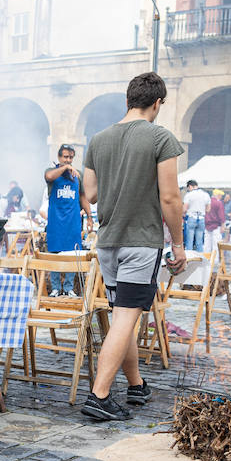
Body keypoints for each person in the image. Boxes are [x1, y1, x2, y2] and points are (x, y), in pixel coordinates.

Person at [78, 72, 185, 422]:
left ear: (128, 100)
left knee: (121, 317)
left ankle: (136, 385)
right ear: (157, 103)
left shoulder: (98, 139)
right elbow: (170, 197)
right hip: (141, 241)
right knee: (127, 318)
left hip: (108, 243)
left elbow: (90, 194)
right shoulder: (160, 138)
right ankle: (100, 395)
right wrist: (179, 244)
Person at [44, 145, 86, 295]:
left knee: (72, 254)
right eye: (65, 157)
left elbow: (82, 196)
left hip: (73, 222)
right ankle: (55, 288)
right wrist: (65, 168)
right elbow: (49, 177)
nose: (68, 160)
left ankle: (68, 288)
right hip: (56, 222)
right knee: (55, 254)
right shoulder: (51, 172)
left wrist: (89, 217)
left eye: (70, 157)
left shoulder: (78, 175)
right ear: (59, 157)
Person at [182, 179, 209, 252]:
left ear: (190, 186)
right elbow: (208, 209)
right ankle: (200, 259)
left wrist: (183, 215)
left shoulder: (189, 195)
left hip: (191, 217)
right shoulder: (205, 194)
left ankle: (189, 259)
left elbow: (184, 208)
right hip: (201, 218)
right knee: (199, 242)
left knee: (189, 241)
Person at [204, 188, 226, 253]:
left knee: (207, 244)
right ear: (218, 195)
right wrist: (223, 226)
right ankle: (215, 261)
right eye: (221, 196)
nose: (221, 197)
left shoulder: (207, 202)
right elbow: (221, 215)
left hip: (207, 225)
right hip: (216, 226)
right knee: (215, 244)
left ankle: (206, 259)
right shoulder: (219, 203)